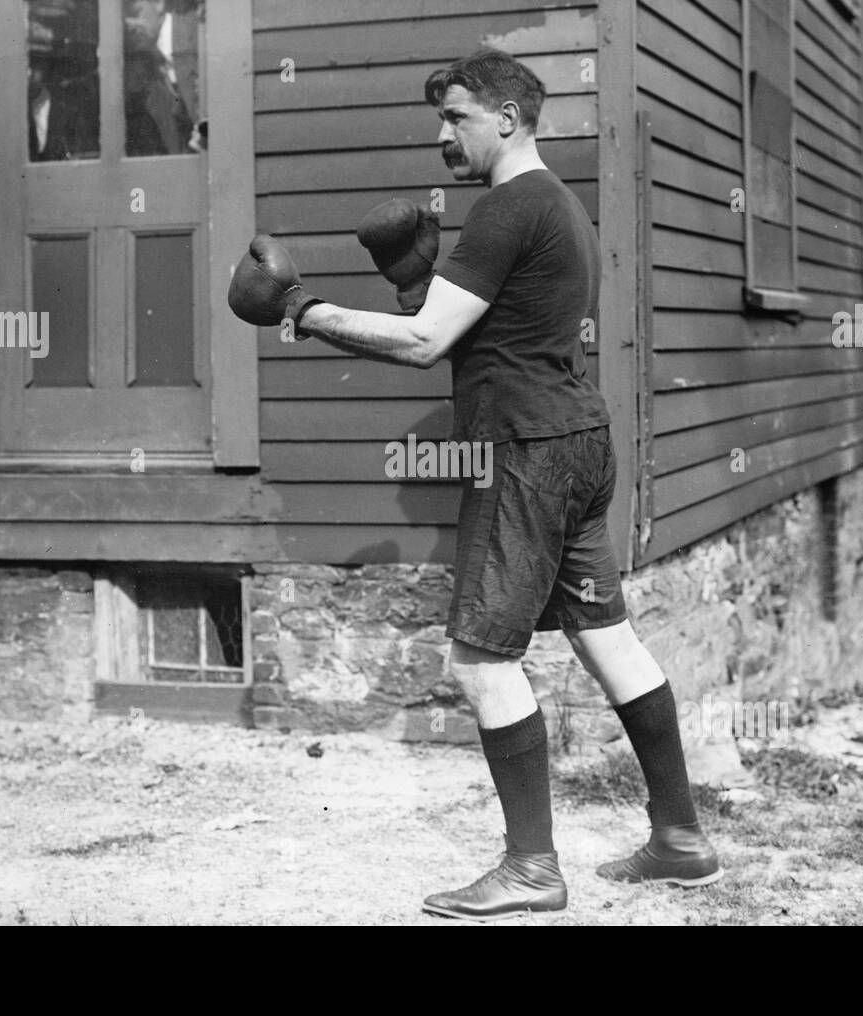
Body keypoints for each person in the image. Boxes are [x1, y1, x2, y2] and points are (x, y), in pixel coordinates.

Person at [227, 48, 722, 922]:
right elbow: (489, 332)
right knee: (609, 638)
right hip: (579, 439)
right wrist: (420, 283)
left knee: (482, 657)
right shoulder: (558, 206)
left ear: (507, 116)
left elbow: (424, 345)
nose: (442, 135)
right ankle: (680, 838)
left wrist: (300, 309)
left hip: (525, 451)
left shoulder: (504, 209)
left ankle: (531, 867)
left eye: (456, 117)